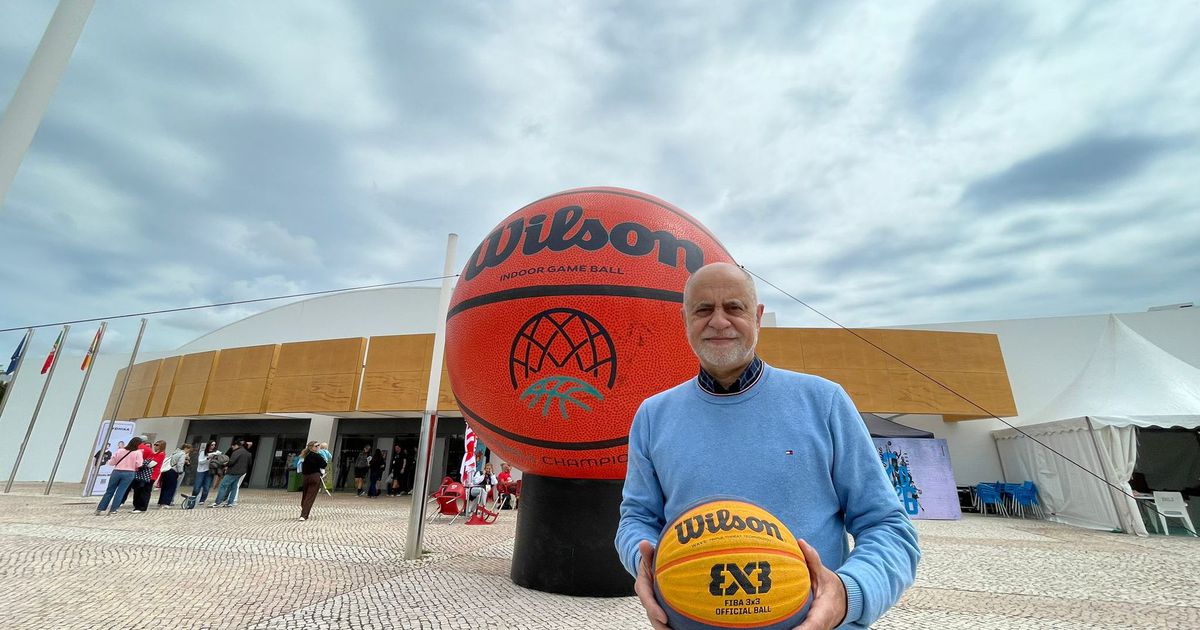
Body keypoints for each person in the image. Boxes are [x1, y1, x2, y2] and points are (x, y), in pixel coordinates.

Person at [615, 263, 920, 630]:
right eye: (703, 309)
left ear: (757, 317)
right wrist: (645, 562)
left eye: (734, 307)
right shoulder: (653, 415)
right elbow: (637, 519)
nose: (718, 321)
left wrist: (846, 593)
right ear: (685, 320)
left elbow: (887, 525)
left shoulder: (824, 402)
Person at [95, 437, 144, 515]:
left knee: (109, 491)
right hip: (129, 473)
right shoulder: (138, 452)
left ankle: (100, 509)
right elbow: (139, 464)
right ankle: (113, 510)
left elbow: (112, 462)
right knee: (121, 491)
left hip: (117, 471)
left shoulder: (120, 450)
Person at [212, 442, 250, 507]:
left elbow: (232, 462)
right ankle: (230, 503)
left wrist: (225, 464)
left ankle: (218, 502)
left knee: (223, 485)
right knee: (234, 487)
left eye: (232, 446)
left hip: (233, 472)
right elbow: (249, 463)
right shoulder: (248, 453)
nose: (232, 448)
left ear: (236, 445)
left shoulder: (236, 452)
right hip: (241, 473)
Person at [298, 443, 327, 521]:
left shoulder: (304, 455)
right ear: (311, 447)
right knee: (310, 496)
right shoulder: (316, 456)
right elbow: (324, 464)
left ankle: (304, 509)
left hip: (306, 477)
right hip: (314, 476)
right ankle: (304, 515)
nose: (318, 447)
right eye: (316, 446)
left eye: (318, 445)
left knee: (305, 495)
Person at [157, 443, 191, 508]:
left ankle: (161, 502)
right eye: (188, 450)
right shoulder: (182, 454)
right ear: (186, 448)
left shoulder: (174, 452)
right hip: (173, 471)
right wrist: (180, 472)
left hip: (166, 470)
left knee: (164, 487)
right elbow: (180, 464)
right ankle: (166, 503)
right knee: (171, 487)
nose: (188, 452)